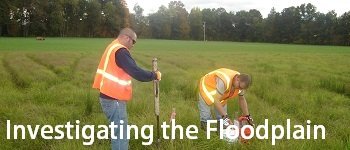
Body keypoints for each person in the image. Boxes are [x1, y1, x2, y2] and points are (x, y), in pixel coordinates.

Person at [92, 28, 161, 150]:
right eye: (133, 42)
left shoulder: (112, 46)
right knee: (120, 135)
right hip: (114, 99)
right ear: (126, 38)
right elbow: (136, 71)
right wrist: (154, 75)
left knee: (118, 131)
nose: (133, 45)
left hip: (108, 97)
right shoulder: (120, 51)